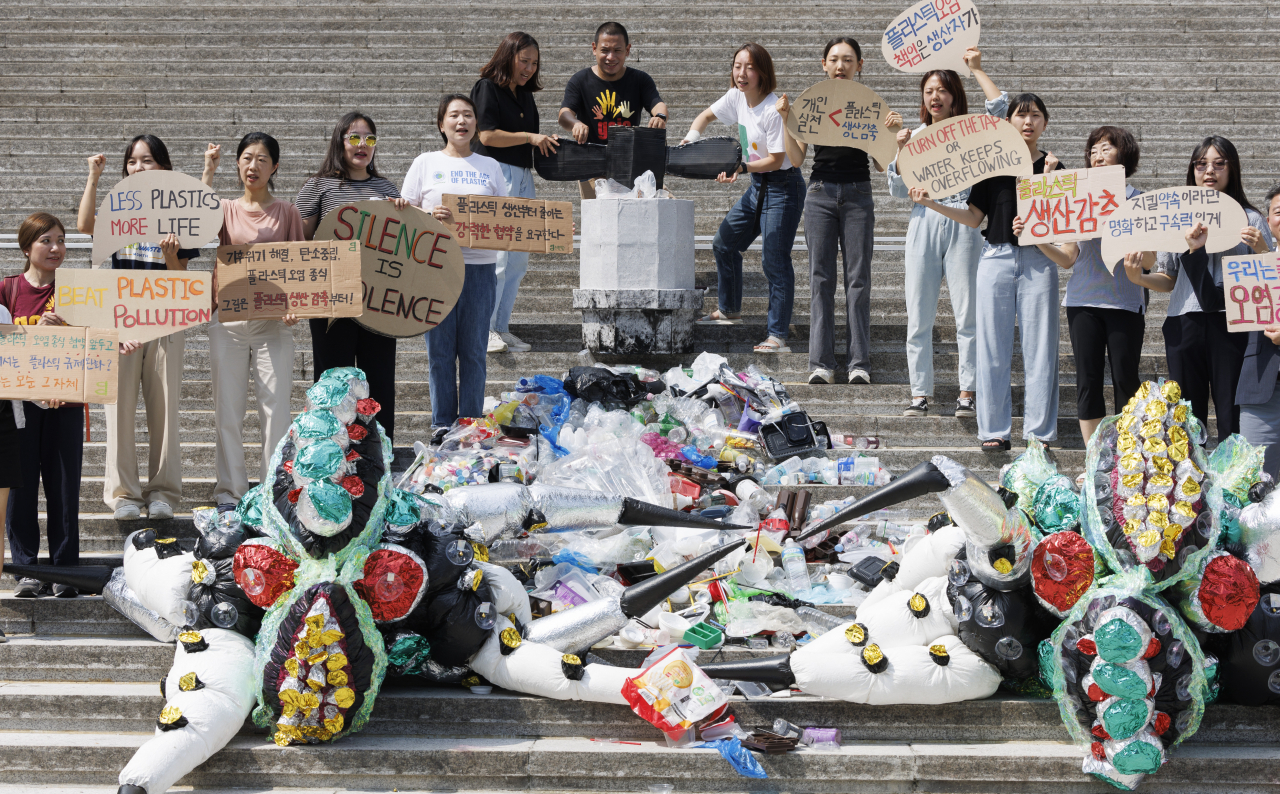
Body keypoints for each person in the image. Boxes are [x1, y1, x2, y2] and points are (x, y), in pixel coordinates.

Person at [75, 134, 219, 521]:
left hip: (166, 317)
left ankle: (163, 493)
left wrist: (172, 255)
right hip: (120, 318)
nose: (139, 168)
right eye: (133, 162)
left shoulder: (178, 214)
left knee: (165, 408)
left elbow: (181, 276)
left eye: (148, 160)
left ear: (165, 168)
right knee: (117, 407)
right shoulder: (120, 208)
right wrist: (94, 176)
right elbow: (85, 223)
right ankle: (123, 494)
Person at [909, 94, 1061, 450]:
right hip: (996, 258)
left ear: (1045, 123)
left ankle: (1038, 434)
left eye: (1035, 116)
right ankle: (994, 430)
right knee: (992, 348)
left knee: (1041, 350)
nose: (1028, 122)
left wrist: (1048, 180)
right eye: (1020, 116)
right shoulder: (992, 167)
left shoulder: (1054, 167)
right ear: (1006, 122)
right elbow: (974, 217)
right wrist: (931, 202)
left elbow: (1060, 226)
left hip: (1039, 261)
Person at [2, 214, 136, 597]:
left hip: (68, 400)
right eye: (47, 240)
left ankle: (64, 570)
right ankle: (27, 568)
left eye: (61, 240)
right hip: (20, 407)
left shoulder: (78, 290)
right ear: (27, 247)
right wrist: (35, 333)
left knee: (63, 489)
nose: (57, 248)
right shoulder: (7, 290)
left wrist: (116, 341)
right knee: (21, 488)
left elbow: (99, 335)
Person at [775, 37, 903, 384]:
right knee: (820, 279)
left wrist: (890, 133)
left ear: (860, 65)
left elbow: (881, 164)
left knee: (858, 280)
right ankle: (822, 363)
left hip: (859, 193)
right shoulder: (812, 102)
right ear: (823, 64)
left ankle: (859, 363)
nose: (840, 65)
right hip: (819, 193)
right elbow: (798, 158)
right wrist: (788, 121)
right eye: (834, 59)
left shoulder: (870, 106)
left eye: (848, 60)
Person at [888, 49, 1007, 416]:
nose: (934, 96)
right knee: (918, 313)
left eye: (941, 89)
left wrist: (976, 69)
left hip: (963, 220)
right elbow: (896, 189)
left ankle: (967, 392)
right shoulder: (915, 135)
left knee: (968, 313)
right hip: (924, 222)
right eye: (928, 91)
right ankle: (919, 393)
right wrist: (899, 149)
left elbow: (1000, 110)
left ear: (954, 93)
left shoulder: (971, 129)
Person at [1146, 136, 1272, 443]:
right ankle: (1191, 484)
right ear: (1192, 171)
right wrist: (1139, 278)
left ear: (1233, 169)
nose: (1209, 171)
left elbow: (1268, 276)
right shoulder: (1175, 219)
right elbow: (1168, 278)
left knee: (1233, 410)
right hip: (1183, 320)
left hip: (1233, 323)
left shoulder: (1251, 219)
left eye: (1219, 164)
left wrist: (1262, 248)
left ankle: (1234, 481)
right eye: (1201, 164)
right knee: (1186, 414)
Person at [204, 132, 306, 510]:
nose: (253, 166)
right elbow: (194, 225)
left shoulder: (288, 212)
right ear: (237, 163)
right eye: (247, 158)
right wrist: (207, 172)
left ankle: (271, 491)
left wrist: (296, 306)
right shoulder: (224, 209)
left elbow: (300, 267)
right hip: (228, 321)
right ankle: (230, 492)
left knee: (276, 411)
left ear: (275, 166)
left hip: (273, 324)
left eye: (262, 159)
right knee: (227, 410)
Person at [1033, 127, 1151, 451]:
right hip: (1083, 301)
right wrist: (1039, 238)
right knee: (1088, 380)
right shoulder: (1078, 197)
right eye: (1093, 150)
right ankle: (1095, 457)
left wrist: (1138, 250)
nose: (1097, 156)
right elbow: (1069, 257)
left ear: (1123, 155)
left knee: (1126, 379)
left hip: (1125, 302)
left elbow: (1153, 259)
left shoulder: (1137, 200)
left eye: (1106, 149)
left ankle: (1127, 455)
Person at [296, 112, 409, 439]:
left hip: (379, 302)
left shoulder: (386, 188)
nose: (363, 145)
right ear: (339, 142)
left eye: (370, 139)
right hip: (331, 302)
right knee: (333, 380)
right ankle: (329, 450)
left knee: (379, 380)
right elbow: (300, 242)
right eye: (354, 137)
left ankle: (379, 455)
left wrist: (405, 215)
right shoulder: (317, 186)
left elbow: (404, 245)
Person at [687, 42, 804, 353]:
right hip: (758, 185)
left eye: (750, 67)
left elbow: (778, 160)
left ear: (763, 72)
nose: (742, 73)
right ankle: (729, 309)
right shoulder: (737, 97)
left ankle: (777, 335)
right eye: (737, 66)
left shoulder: (772, 108)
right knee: (724, 243)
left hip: (783, 186)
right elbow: (704, 117)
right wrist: (690, 142)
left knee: (774, 261)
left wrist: (741, 166)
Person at [402, 95, 508, 430]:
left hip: (480, 270)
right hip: (435, 269)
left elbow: (512, 221)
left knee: (475, 353)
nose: (461, 121)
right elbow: (404, 214)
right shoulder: (424, 163)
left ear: (476, 124)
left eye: (468, 115)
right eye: (454, 115)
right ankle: (442, 426)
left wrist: (554, 228)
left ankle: (471, 426)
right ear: (441, 124)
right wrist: (431, 217)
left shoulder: (490, 167)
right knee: (440, 354)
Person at [472, 31, 560, 355]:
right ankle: (484, 329)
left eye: (534, 63)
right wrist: (529, 137)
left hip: (523, 176)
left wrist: (542, 141)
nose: (529, 69)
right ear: (508, 56)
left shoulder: (525, 95)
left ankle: (501, 327)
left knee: (518, 260)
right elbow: (488, 135)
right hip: (495, 174)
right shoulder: (487, 88)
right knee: (497, 256)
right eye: (524, 61)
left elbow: (530, 138)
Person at [558, 21, 668, 198]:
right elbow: (564, 114)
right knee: (600, 222)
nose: (611, 57)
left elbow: (658, 104)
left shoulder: (640, 80)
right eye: (605, 50)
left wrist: (660, 117)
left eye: (617, 50)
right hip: (592, 168)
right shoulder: (580, 80)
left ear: (628, 50)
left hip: (631, 165)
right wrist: (575, 123)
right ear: (594, 48)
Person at [1238, 184, 1280, 476]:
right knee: (1254, 484)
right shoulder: (1250, 268)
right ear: (1267, 221)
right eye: (1279, 211)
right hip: (1263, 385)